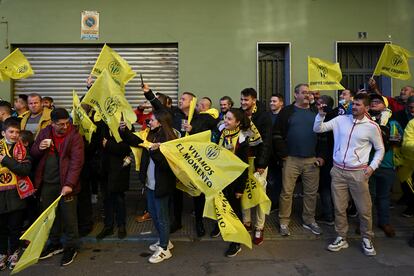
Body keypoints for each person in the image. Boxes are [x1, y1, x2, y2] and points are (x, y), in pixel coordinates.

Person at [313, 93, 385, 256]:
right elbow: (318, 128)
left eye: (358, 105)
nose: (354, 107)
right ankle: (341, 237)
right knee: (339, 207)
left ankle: (367, 238)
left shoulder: (372, 127)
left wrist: (372, 167)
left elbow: (380, 149)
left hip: (358, 173)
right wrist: (320, 115)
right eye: (353, 104)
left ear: (366, 108)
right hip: (338, 171)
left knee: (364, 208)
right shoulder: (340, 120)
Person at [120, 109, 177, 263]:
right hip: (150, 184)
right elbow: (135, 140)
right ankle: (164, 240)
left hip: (161, 185)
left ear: (161, 122)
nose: (148, 122)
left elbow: (167, 166)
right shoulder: (151, 135)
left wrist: (155, 151)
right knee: (153, 213)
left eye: (151, 120)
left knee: (162, 217)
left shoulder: (169, 139)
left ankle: (164, 249)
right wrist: (124, 130)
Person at [31, 108, 84, 266]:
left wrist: (69, 184)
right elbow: (33, 153)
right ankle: (55, 243)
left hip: (66, 184)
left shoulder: (75, 136)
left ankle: (71, 246)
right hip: (47, 183)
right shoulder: (45, 132)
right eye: (61, 124)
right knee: (50, 216)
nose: (65, 126)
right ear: (52, 123)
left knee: (69, 218)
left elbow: (77, 163)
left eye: (67, 123)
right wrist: (40, 147)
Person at [273, 84, 326, 237]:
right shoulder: (287, 112)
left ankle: (309, 220)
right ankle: (283, 221)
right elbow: (276, 134)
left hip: (312, 160)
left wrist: (321, 156)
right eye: (303, 92)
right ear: (296, 95)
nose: (307, 95)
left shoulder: (316, 112)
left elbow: (323, 136)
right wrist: (283, 154)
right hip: (291, 159)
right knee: (287, 192)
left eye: (308, 92)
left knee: (311, 193)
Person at [211, 108, 250, 257]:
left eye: (229, 119)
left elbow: (243, 167)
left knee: (234, 211)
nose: (225, 121)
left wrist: (240, 189)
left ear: (238, 122)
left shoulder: (242, 140)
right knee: (219, 205)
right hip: (219, 178)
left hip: (233, 181)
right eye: (225, 118)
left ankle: (236, 242)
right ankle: (220, 226)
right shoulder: (221, 132)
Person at [240, 88, 272, 245]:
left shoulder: (263, 116)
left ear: (254, 100)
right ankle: (246, 222)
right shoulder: (239, 113)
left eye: (246, 100)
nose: (243, 103)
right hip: (242, 161)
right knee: (244, 191)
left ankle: (259, 227)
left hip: (258, 161)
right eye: (241, 100)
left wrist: (262, 163)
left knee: (259, 194)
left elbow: (266, 141)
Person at [368, 94, 403, 237]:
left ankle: (384, 222)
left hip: (387, 165)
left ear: (386, 106)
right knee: (367, 196)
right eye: (372, 102)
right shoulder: (365, 121)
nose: (374, 103)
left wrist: (392, 137)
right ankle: (366, 224)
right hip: (368, 165)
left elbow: (399, 141)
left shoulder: (393, 123)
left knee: (383, 197)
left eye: (378, 102)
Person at [0, 118, 32, 270]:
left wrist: (6, 160)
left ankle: (14, 252)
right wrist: (14, 165)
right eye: (11, 132)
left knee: (15, 226)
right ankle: (1, 253)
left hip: (17, 194)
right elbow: (18, 168)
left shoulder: (23, 149)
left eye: (17, 132)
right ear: (3, 133)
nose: (14, 135)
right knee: (1, 227)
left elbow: (24, 170)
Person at [315, 95, 336, 226]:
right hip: (330, 157)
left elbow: (324, 140)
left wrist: (322, 156)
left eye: (319, 104)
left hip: (327, 158)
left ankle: (329, 215)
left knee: (325, 187)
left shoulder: (329, 118)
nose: (317, 106)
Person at [267, 94, 284, 211]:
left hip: (280, 154)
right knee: (270, 180)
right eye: (270, 101)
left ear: (281, 103)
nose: (271, 103)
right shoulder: (267, 116)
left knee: (279, 180)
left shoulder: (284, 116)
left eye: (274, 101)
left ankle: (277, 204)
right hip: (269, 153)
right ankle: (272, 202)